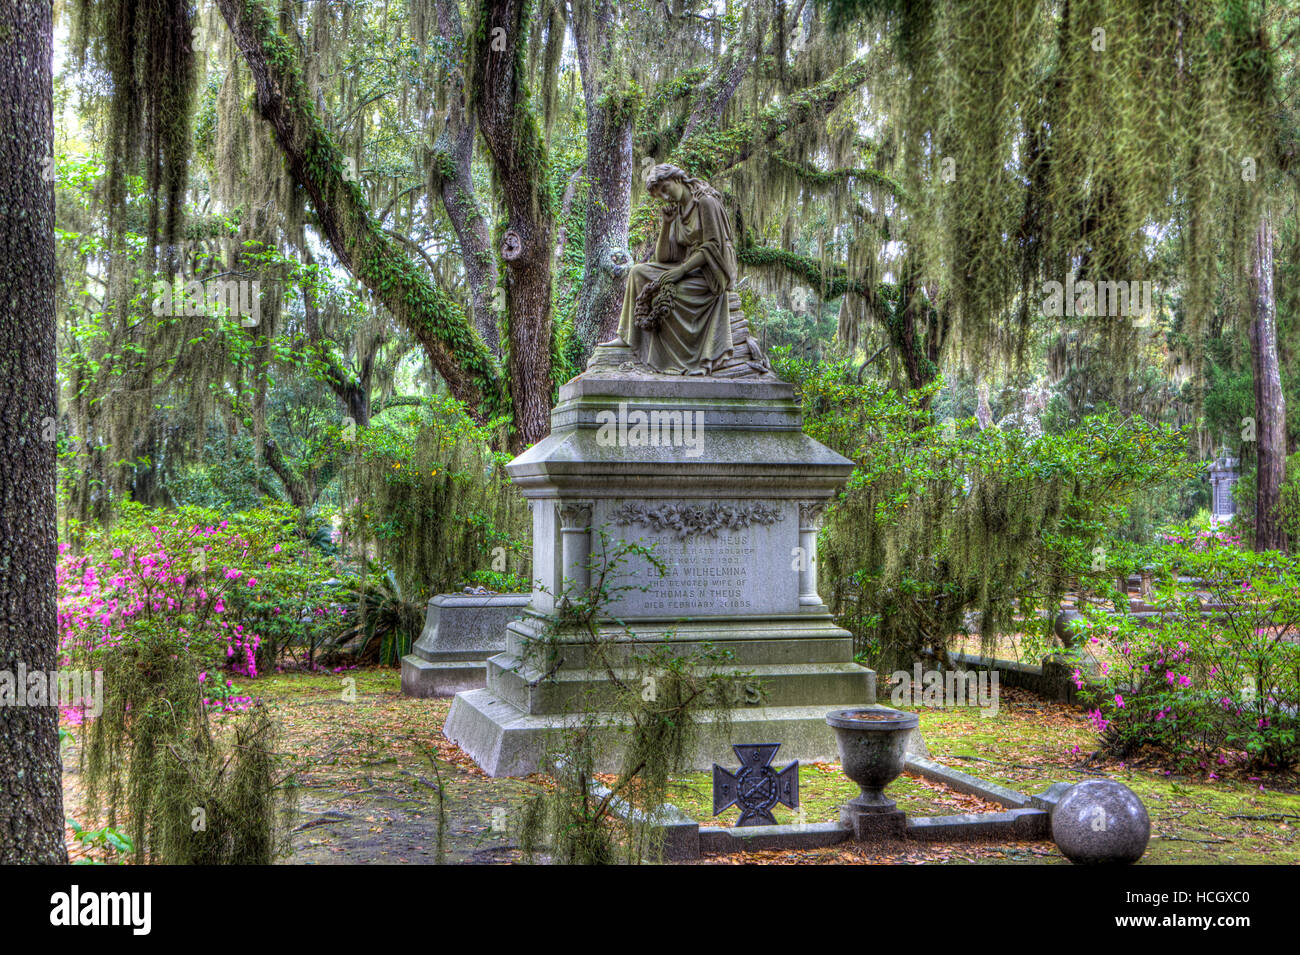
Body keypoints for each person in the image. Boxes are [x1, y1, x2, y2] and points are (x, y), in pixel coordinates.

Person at [607, 164, 739, 375]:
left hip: (711, 272)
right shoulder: (677, 210)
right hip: (687, 267)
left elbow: (714, 247)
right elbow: (665, 258)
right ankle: (627, 337)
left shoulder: (705, 202)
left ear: (677, 178)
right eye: (659, 195)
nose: (664, 196)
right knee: (637, 272)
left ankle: (683, 359)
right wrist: (667, 224)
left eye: (664, 188)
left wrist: (681, 271)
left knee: (669, 292)